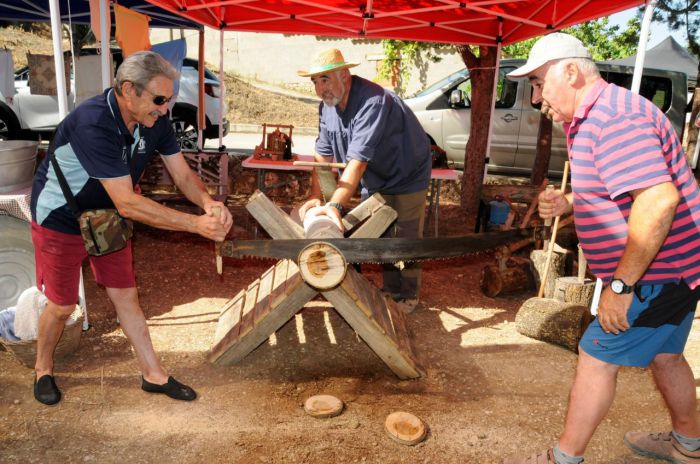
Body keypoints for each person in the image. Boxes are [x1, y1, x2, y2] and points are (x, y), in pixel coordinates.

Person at [503, 32, 700, 464]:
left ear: (571, 72)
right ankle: (689, 446)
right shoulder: (596, 115)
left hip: (659, 272)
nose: (536, 98)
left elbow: (657, 199)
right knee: (666, 356)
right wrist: (570, 202)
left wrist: (621, 286)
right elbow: (624, 189)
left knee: (595, 356)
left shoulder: (613, 118)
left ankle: (564, 458)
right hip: (681, 267)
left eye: (538, 83)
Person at [30, 51, 233, 406]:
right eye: (158, 99)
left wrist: (208, 203)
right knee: (62, 306)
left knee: (126, 296)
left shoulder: (156, 121)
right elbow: (128, 202)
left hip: (106, 217)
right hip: (60, 218)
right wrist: (194, 225)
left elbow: (183, 175)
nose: (165, 108)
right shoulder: (93, 122)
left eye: (168, 99)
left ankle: (153, 375)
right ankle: (42, 368)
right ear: (128, 90)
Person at [297, 48, 432, 312]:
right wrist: (317, 197)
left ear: (344, 75)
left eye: (324, 79)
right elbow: (322, 156)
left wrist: (335, 206)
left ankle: (407, 296)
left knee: (405, 235)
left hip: (407, 171)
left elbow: (357, 161)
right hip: (376, 175)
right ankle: (391, 289)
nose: (319, 89)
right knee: (380, 232)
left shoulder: (373, 100)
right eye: (314, 82)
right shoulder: (327, 107)